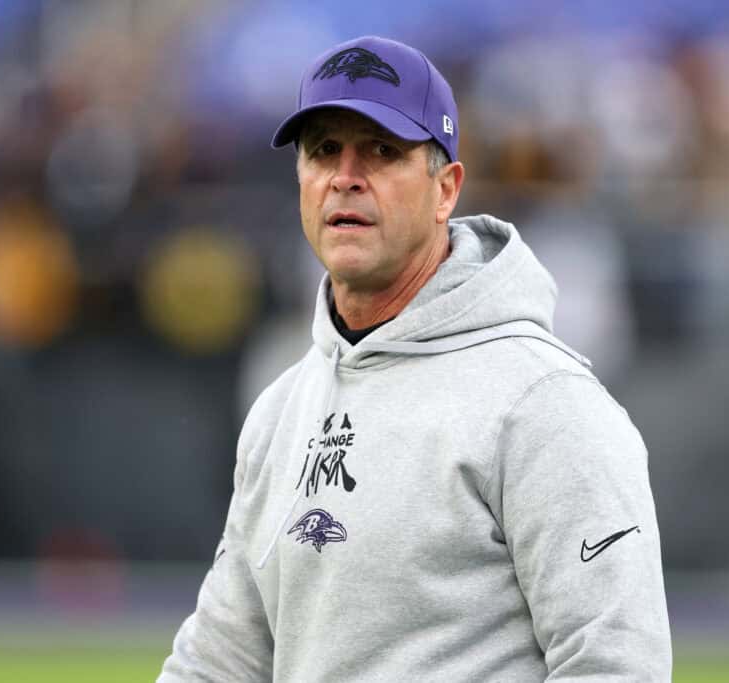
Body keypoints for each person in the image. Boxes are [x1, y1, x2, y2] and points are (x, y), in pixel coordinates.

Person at [158, 35, 671, 681]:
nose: (346, 175)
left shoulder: (544, 401)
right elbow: (220, 657)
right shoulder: (282, 406)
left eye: (382, 150)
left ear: (445, 189)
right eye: (323, 151)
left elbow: (616, 663)